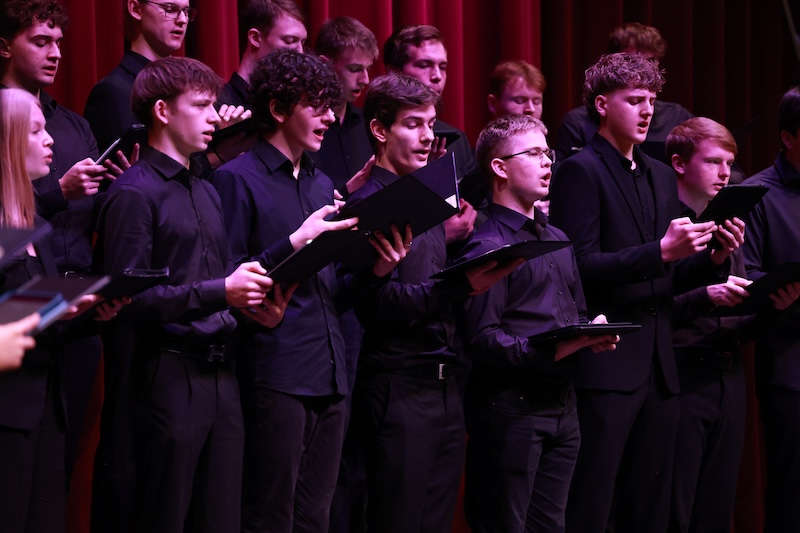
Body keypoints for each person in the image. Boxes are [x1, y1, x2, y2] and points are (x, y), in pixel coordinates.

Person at [548, 52, 743, 533]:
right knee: (595, 503)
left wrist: (711, 259)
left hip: (660, 367)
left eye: (651, 100)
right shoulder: (581, 170)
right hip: (609, 364)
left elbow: (666, 274)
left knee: (650, 506)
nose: (647, 110)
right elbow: (580, 268)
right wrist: (661, 251)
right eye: (634, 100)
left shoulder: (658, 174)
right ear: (601, 105)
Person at [212, 49, 405, 533]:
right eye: (316, 104)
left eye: (332, 104)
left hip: (331, 367)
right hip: (274, 368)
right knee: (270, 513)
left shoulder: (322, 185)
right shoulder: (236, 180)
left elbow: (333, 281)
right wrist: (298, 241)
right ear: (278, 110)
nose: (329, 116)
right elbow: (227, 274)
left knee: (316, 516)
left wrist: (377, 268)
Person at [94, 57, 285, 533]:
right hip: (166, 375)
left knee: (220, 518)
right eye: (200, 107)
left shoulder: (207, 188)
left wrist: (247, 298)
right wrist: (222, 291)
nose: (213, 118)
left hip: (221, 370)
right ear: (162, 111)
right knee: (164, 516)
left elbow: (212, 275)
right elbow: (129, 300)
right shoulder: (134, 193)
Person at [348, 72, 517, 533]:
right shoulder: (367, 204)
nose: (428, 137)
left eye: (431, 124)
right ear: (380, 131)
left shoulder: (428, 198)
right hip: (397, 387)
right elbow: (374, 302)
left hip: (445, 386)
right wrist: (462, 286)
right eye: (413, 124)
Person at [462, 113, 617, 533]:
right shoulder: (487, 243)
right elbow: (482, 338)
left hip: (563, 407)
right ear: (500, 168)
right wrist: (548, 349)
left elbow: (575, 313)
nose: (549, 162)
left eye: (548, 152)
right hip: (512, 411)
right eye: (534, 153)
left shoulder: (557, 237)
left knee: (551, 525)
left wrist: (589, 332)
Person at [0, 0, 121, 477]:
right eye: (41, 41)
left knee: (56, 472)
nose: (55, 53)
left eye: (59, 43)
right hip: (15, 355)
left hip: (58, 324)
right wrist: (56, 192)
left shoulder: (71, 124)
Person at [741, 86, 800, 533]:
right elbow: (747, 276)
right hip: (790, 364)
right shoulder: (756, 194)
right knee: (791, 490)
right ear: (788, 137)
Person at [383, 24, 478, 242]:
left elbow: (474, 205)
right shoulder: (371, 134)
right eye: (424, 65)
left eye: (443, 67)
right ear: (394, 71)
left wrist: (470, 218)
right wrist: (438, 236)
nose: (436, 76)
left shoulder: (456, 138)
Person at [554, 22, 693, 164]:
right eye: (632, 61)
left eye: (650, 61)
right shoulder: (577, 123)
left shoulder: (677, 116)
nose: (643, 68)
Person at [84, 0, 194, 152]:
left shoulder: (186, 86)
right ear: (135, 9)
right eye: (170, 9)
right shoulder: (113, 91)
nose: (182, 19)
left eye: (186, 11)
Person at [313, 16, 377, 197]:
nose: (365, 80)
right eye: (355, 69)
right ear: (325, 65)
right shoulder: (302, 128)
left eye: (367, 69)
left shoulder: (368, 123)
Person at [219, 0, 306, 108]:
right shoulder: (221, 106)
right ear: (255, 38)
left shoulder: (285, 104)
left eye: (302, 43)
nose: (300, 52)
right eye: (290, 40)